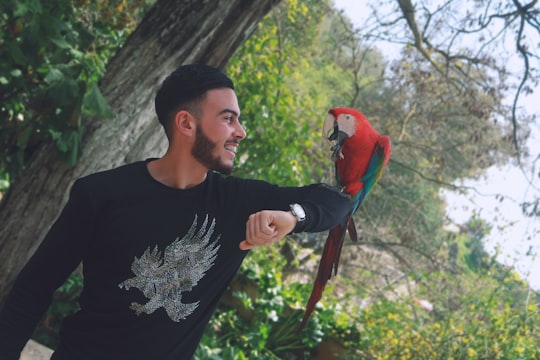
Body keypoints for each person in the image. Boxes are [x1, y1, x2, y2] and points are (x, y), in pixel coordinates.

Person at [0, 64, 350, 359]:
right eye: (229, 119)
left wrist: (293, 217)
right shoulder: (101, 194)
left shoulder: (237, 202)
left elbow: (336, 201)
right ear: (186, 123)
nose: (240, 132)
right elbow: (34, 288)